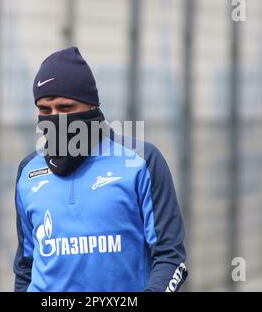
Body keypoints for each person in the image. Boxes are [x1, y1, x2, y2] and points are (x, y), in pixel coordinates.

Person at [14, 46, 187, 292]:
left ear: (91, 106)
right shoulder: (29, 172)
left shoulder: (140, 161)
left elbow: (171, 258)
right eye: (44, 110)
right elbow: (25, 268)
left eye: (65, 108)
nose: (54, 118)